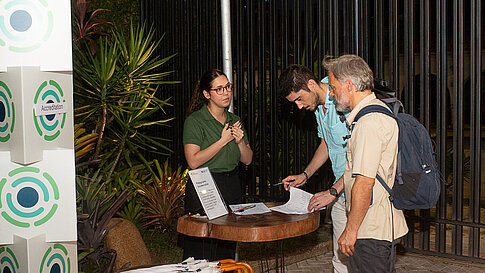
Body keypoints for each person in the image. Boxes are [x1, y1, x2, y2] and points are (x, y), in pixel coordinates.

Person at [323, 54, 408, 272]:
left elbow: (364, 182)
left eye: (333, 87)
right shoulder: (374, 114)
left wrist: (351, 230)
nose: (331, 95)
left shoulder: (369, 123)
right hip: (374, 225)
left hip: (370, 229)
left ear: (349, 85)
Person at [277, 64, 349, 273]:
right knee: (341, 259)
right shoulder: (318, 107)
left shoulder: (343, 99)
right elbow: (326, 145)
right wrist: (305, 175)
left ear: (311, 84)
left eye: (299, 99)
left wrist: (332, 191)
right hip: (340, 193)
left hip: (360, 192)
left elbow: (362, 158)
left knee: (365, 260)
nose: (299, 106)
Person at [182, 69, 253, 260]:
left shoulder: (234, 120)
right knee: (202, 249)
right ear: (207, 94)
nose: (226, 93)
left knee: (226, 247)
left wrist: (239, 141)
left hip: (231, 185)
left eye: (228, 87)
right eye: (219, 89)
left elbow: (247, 159)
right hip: (204, 186)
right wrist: (222, 141)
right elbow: (193, 161)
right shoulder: (195, 121)